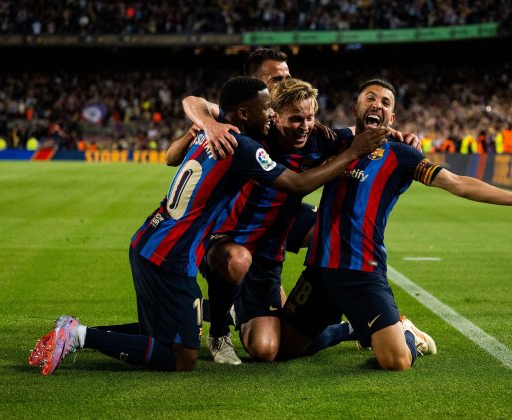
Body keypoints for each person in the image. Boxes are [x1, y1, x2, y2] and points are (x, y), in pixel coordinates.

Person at [28, 76, 388, 376]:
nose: (272, 115)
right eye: (269, 110)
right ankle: (77, 335)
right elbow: (296, 184)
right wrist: (352, 154)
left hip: (150, 239)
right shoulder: (242, 144)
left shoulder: (213, 132)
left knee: (165, 332)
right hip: (173, 255)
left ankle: (79, 332)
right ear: (246, 113)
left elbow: (184, 142)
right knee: (182, 357)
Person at [278, 79, 512, 371]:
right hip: (320, 269)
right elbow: (298, 121)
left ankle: (408, 335)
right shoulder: (336, 143)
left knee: (395, 361)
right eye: (370, 98)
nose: (377, 104)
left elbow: (457, 184)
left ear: (393, 118)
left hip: (361, 272)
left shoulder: (402, 154)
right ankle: (351, 329)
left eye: (386, 102)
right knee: (283, 348)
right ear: (356, 108)